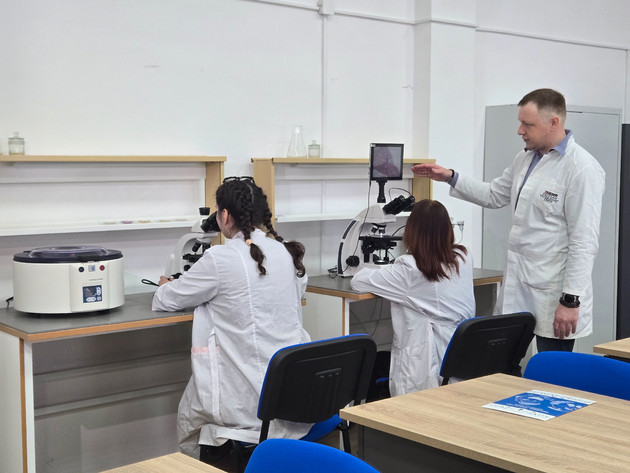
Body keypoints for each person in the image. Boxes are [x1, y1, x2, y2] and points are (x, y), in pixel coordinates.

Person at [412, 88, 605, 353]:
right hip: (518, 285)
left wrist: (571, 300)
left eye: (528, 124)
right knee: (503, 364)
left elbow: (584, 241)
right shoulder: (524, 159)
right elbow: (493, 195)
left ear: (553, 122)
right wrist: (450, 177)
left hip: (554, 294)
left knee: (549, 370)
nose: (520, 131)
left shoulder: (581, 168)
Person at [152, 176, 312, 462]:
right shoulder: (284, 252)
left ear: (224, 216)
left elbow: (166, 299)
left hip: (245, 401)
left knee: (189, 417)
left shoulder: (220, 258)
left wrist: (166, 285)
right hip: (289, 395)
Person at [350, 199, 475, 395]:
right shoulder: (463, 258)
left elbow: (358, 281)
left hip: (429, 363)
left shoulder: (411, 269)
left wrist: (387, 270)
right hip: (461, 357)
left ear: (412, 231)